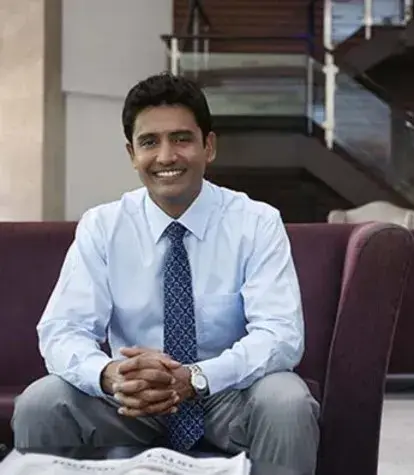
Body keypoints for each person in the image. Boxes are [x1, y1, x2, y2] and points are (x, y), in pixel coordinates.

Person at [11, 73, 320, 474]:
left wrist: (195, 377)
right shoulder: (103, 225)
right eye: (149, 142)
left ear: (208, 146)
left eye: (181, 139)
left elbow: (280, 335)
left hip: (226, 393)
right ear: (131, 153)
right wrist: (109, 375)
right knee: (42, 402)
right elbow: (62, 330)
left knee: (287, 401)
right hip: (130, 399)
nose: (166, 156)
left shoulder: (256, 222)